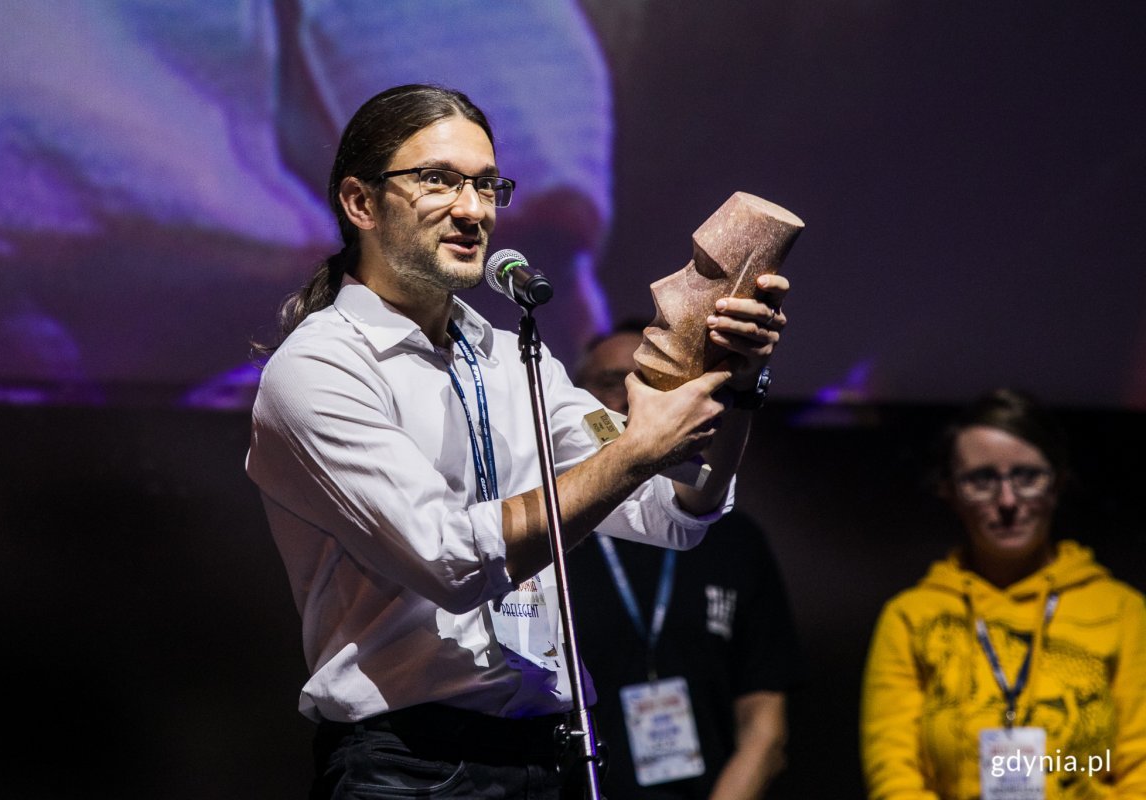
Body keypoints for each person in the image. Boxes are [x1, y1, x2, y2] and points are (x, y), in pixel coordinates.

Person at [245, 84, 791, 799]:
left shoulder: (507, 356)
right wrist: (633, 452)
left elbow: (678, 510)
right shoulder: (319, 368)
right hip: (410, 768)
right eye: (438, 180)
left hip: (548, 753)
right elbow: (449, 562)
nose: (475, 211)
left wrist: (738, 386)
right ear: (361, 203)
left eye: (486, 185)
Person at [860, 388, 1146, 800]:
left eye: (1027, 477)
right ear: (950, 491)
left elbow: (1138, 770)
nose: (1008, 500)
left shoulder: (1122, 610)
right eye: (982, 479)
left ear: (1058, 483)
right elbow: (894, 775)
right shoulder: (911, 617)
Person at [567, 320, 804, 799]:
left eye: (653, 382)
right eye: (612, 382)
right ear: (573, 399)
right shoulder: (556, 529)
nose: (631, 398)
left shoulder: (731, 537)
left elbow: (765, 723)